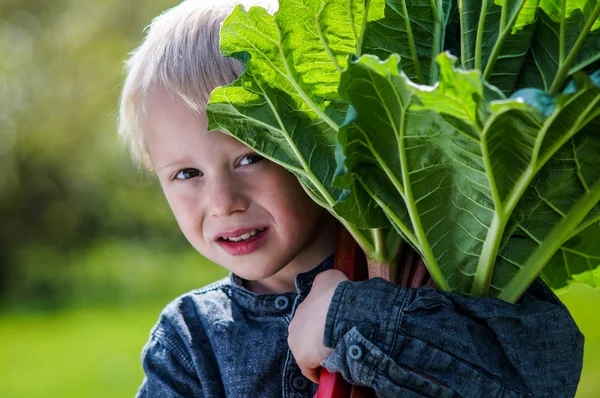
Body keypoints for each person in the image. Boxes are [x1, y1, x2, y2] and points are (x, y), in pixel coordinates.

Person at [118, 1, 584, 396]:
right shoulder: (188, 341)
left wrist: (351, 317)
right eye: (186, 173)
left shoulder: (438, 278)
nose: (223, 202)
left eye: (250, 158)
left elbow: (538, 376)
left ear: (317, 141)